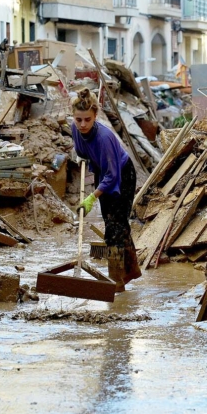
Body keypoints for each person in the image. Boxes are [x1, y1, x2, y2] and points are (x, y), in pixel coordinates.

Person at [71, 89, 141, 292]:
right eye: (79, 119)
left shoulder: (104, 138)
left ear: (95, 116)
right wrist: (81, 155)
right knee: (114, 223)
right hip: (104, 171)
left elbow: (113, 176)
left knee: (114, 229)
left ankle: (116, 282)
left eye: (87, 119)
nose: (83, 124)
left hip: (122, 175)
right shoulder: (76, 129)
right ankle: (131, 271)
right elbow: (80, 149)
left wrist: (92, 197)